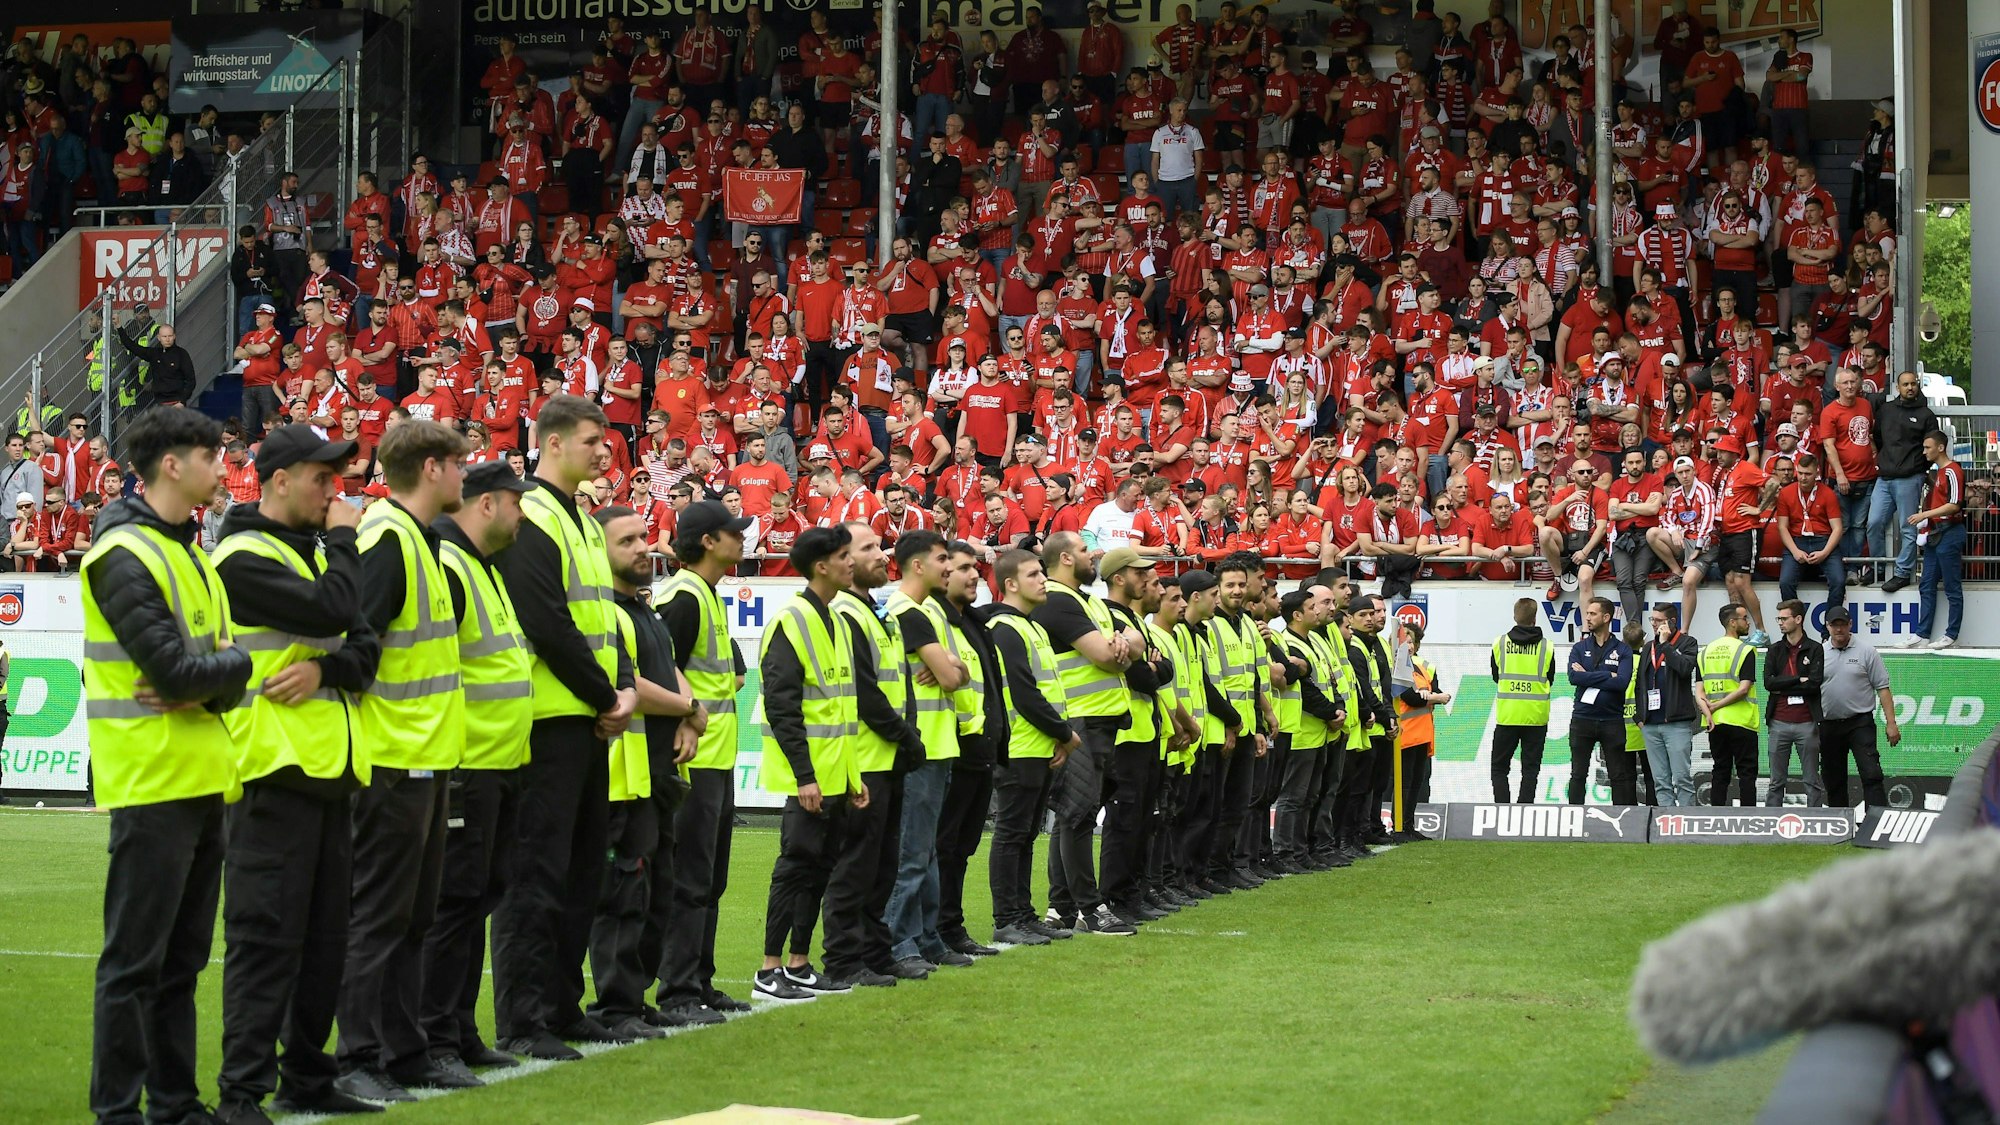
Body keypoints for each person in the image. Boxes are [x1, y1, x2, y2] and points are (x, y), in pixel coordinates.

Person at [83, 407, 252, 1125]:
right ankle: (119, 1109)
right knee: (135, 963)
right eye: (211, 456)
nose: (223, 468)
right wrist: (223, 671)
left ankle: (175, 1104)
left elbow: (216, 670)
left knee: (179, 964)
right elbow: (180, 672)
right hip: (153, 780)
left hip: (201, 774)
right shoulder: (124, 553)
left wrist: (220, 672)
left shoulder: (185, 549)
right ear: (173, 465)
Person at [210, 426, 382, 1121]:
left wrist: (322, 667)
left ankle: (308, 1076)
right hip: (269, 768)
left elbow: (365, 648)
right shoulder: (243, 556)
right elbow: (338, 611)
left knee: (323, 945)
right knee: (265, 939)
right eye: (321, 477)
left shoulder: (307, 554)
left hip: (326, 769)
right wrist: (345, 542)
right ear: (279, 479)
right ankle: (241, 1093)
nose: (333, 492)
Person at [492, 395, 638, 1059]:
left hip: (587, 721)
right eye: (590, 440)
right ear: (551, 443)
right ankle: (524, 1019)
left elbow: (602, 619)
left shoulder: (579, 518)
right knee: (537, 875)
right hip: (551, 722)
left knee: (582, 873)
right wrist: (608, 693)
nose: (602, 451)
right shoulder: (535, 514)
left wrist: (621, 690)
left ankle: (560, 1005)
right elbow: (545, 620)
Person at [336, 420, 470, 1102]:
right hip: (392, 758)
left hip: (425, 756)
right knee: (380, 915)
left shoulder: (416, 539)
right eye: (459, 463)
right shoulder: (387, 540)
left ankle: (401, 1048)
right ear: (431, 466)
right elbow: (358, 645)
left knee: (413, 916)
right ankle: (357, 1053)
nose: (466, 475)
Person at [420, 460, 535, 1078]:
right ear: (488, 504)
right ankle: (433, 1036)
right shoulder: (450, 563)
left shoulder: (479, 567)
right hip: (467, 764)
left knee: (478, 897)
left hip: (499, 763)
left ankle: (458, 1030)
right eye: (517, 504)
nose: (522, 517)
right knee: (453, 902)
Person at [586, 505, 702, 1040]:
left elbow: (670, 668)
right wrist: (686, 710)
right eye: (627, 540)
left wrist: (689, 708)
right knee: (622, 896)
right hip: (620, 775)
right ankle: (614, 1005)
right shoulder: (601, 611)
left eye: (643, 537)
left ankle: (635, 995)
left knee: (658, 892)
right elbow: (626, 682)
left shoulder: (644, 610)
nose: (642, 548)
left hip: (657, 772)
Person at [752, 525, 869, 999]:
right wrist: (805, 775)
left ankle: (799, 963)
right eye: (845, 556)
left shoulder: (836, 619)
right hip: (807, 778)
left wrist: (852, 775)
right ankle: (768, 969)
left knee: (820, 867)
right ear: (822, 566)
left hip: (836, 774)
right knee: (795, 866)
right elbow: (783, 707)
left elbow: (841, 708)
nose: (851, 563)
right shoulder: (791, 620)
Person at [651, 502, 748, 1021]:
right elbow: (659, 663)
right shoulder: (684, 596)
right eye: (734, 533)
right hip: (695, 761)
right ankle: (679, 990)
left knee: (709, 879)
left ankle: (699, 981)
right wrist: (687, 716)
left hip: (716, 756)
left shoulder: (704, 593)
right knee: (690, 878)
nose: (742, 540)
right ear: (708, 541)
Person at [822, 522, 926, 987]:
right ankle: (844, 960)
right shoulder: (845, 611)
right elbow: (864, 691)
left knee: (882, 866)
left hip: (888, 756)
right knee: (857, 866)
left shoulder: (873, 609)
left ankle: (875, 954)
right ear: (844, 559)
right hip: (866, 758)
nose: (882, 554)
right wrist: (906, 736)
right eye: (868, 549)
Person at [1032, 533, 1139, 936]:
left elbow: (1133, 641)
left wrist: (1124, 642)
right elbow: (1108, 655)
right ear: (1063, 558)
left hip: (1099, 720)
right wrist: (1119, 648)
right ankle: (1090, 910)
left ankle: (1061, 907)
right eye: (1082, 549)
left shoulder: (1088, 600)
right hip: (1078, 718)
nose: (1091, 554)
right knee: (1076, 816)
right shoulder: (1058, 599)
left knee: (1071, 817)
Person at [879, 530, 972, 977]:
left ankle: (925, 937)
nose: (949, 568)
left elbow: (959, 671)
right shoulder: (905, 612)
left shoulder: (922, 612)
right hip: (922, 747)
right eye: (942, 559)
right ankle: (898, 943)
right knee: (914, 854)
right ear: (918, 565)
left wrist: (954, 667)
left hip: (937, 743)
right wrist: (952, 669)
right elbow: (953, 678)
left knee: (926, 852)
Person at [983, 548, 1081, 946]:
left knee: (1025, 835)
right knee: (1011, 833)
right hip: (1020, 746)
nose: (1043, 580)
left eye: (1042, 572)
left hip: (1039, 745)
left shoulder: (1032, 626)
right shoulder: (1006, 627)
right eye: (1033, 574)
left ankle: (1023, 914)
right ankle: (1007, 917)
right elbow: (1024, 693)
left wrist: (1056, 735)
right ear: (1010, 584)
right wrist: (1064, 733)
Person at [935, 542, 1004, 953]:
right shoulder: (936, 622)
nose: (974, 575)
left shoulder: (975, 623)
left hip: (981, 749)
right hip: (952, 749)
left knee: (961, 848)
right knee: (942, 847)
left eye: (976, 568)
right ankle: (937, 929)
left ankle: (951, 927)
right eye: (964, 568)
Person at [1274, 586, 1345, 865]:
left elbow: (1328, 679)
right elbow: (1306, 690)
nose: (1319, 610)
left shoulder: (1313, 640)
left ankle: (1302, 851)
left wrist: (1335, 709)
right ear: (1296, 615)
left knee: (1310, 796)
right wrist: (1331, 712)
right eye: (1312, 606)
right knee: (1293, 797)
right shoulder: (1288, 643)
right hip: (1301, 731)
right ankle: (1285, 852)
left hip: (1318, 732)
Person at [1819, 604, 1900, 808]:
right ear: (1827, 627)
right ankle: (1840, 825)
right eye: (1834, 625)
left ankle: (1877, 823)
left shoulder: (1867, 651)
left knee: (1871, 772)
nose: (1839, 630)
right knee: (1833, 778)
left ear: (1850, 625)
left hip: (1859, 723)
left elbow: (1883, 688)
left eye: (1843, 625)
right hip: (1828, 724)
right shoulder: (1818, 653)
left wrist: (1891, 723)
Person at [1871, 371, 1938, 593]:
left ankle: (1901, 573)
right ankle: (1878, 567)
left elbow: (1931, 447)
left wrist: (1920, 470)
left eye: (1913, 384)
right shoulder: (1886, 411)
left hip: (1910, 478)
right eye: (1905, 384)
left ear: (1917, 386)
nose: (1910, 388)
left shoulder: (1926, 415)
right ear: (1897, 387)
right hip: (1885, 478)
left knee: (1907, 529)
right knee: (1873, 523)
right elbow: (1878, 438)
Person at [1565, 597, 1635, 805]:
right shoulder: (1579, 648)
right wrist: (1607, 675)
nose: (1587, 618)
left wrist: (1589, 675)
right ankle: (1573, 819)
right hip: (1582, 719)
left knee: (1618, 775)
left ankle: (1621, 821)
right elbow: (1574, 678)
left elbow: (1622, 682)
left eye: (1592, 614)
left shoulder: (1622, 649)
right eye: (1587, 613)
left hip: (1611, 720)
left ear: (1606, 617)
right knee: (1578, 774)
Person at [1636, 604, 1702, 808]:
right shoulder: (1648, 647)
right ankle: (1667, 824)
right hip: (1651, 724)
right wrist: (1639, 717)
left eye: (1658, 620)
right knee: (1660, 781)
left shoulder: (1688, 642)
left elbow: (1684, 668)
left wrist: (1666, 645)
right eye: (1652, 620)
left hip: (1676, 723)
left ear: (1671, 622)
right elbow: (1640, 683)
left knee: (1682, 778)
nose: (1654, 624)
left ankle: (1686, 822)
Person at [1906, 429, 1966, 649]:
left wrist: (1925, 515)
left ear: (1940, 447)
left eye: (1927, 447)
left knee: (1952, 587)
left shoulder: (1952, 471)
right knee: (1927, 584)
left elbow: (1955, 504)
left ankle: (1951, 634)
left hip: (1949, 532)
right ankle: (1922, 634)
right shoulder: (1939, 472)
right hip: (1936, 533)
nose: (1924, 452)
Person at [1489, 597, 1553, 803]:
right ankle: (1524, 810)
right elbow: (1549, 678)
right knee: (1531, 769)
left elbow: (1496, 676)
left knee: (1499, 768)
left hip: (1508, 715)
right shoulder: (1547, 646)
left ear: (1515, 616)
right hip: (1536, 716)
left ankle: (1502, 809)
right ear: (1534, 619)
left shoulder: (1499, 643)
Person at [1763, 598, 1825, 807]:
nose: (1780, 623)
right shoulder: (1775, 649)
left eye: (1784, 618)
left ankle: (1815, 822)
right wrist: (1798, 679)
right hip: (1778, 722)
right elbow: (1769, 683)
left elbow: (1814, 684)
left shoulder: (1815, 648)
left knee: (1811, 780)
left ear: (1798, 619)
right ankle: (1771, 824)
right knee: (1776, 781)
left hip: (1806, 723)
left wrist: (1783, 685)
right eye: (1778, 618)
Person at [1698, 603, 1760, 808]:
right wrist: (1716, 707)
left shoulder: (1705, 651)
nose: (1748, 622)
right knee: (1747, 773)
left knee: (1720, 770)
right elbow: (1743, 689)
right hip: (1741, 721)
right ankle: (1748, 818)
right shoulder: (1745, 650)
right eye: (1744, 618)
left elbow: (1699, 693)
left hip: (1715, 722)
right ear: (1732, 623)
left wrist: (1710, 711)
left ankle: (1716, 817)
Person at [1390, 619, 1444, 835]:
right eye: (1405, 642)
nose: (1409, 646)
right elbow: (1412, 698)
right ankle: (1399, 826)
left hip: (1422, 733)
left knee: (1415, 782)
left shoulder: (1423, 667)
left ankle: (1409, 826)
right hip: (1405, 733)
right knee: (1403, 783)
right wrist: (1435, 697)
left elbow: (1433, 693)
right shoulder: (1396, 667)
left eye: (1411, 642)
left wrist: (1432, 696)